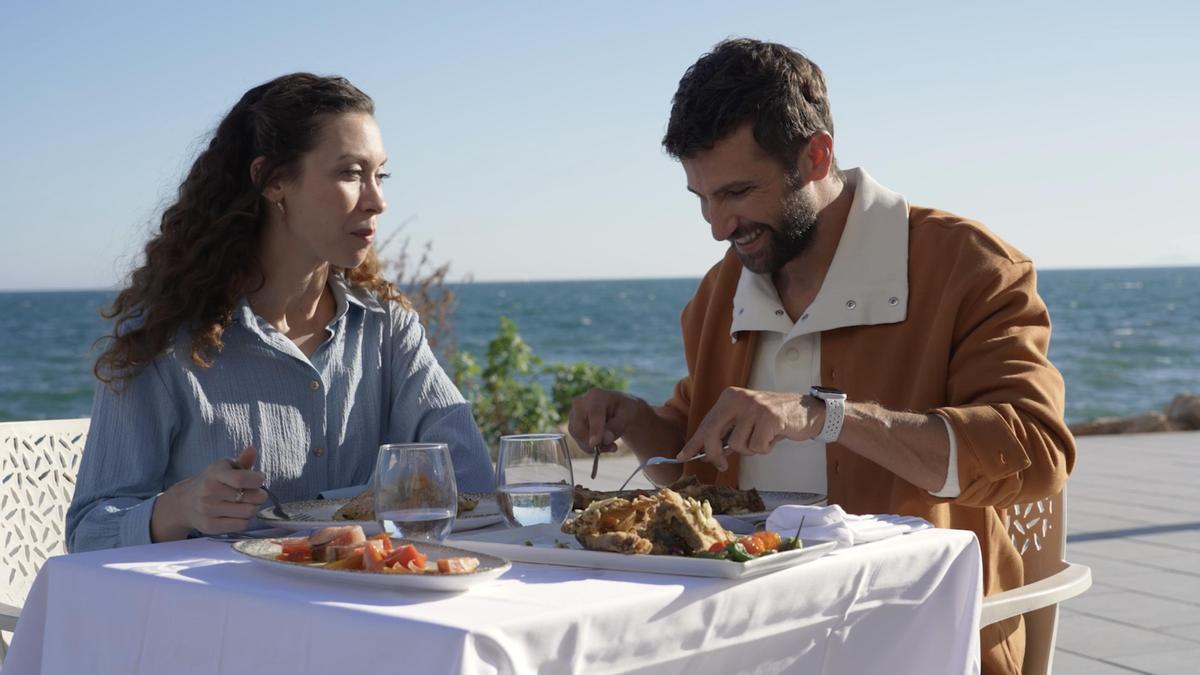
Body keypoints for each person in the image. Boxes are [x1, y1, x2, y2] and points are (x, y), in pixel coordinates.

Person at [568, 39, 1074, 674]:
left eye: (738, 192)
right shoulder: (720, 291)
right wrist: (636, 421)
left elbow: (1035, 451)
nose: (718, 226)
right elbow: (698, 469)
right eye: (702, 198)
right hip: (741, 639)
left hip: (915, 636)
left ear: (815, 155)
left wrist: (826, 415)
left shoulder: (970, 268)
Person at [66, 73, 494, 553]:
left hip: (369, 607)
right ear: (272, 181)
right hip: (219, 618)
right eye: (351, 173)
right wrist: (178, 508)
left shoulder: (386, 327)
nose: (378, 200)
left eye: (380, 175)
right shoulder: (163, 339)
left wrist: (338, 512)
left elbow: (470, 480)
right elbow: (88, 534)